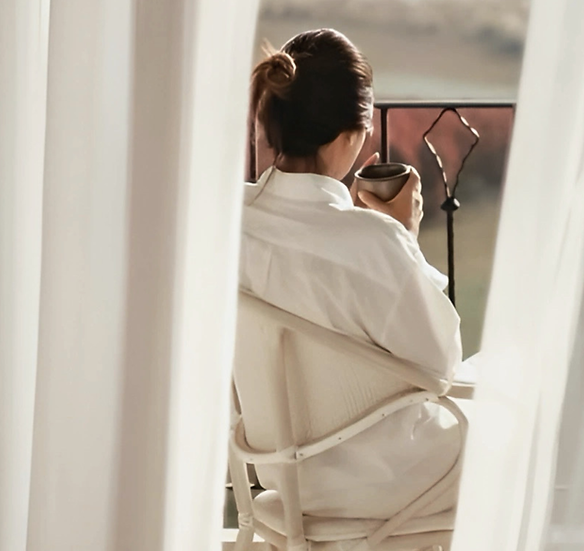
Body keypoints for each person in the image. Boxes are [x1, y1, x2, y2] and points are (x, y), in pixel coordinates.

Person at [239, 28, 463, 520]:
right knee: (519, 417)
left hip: (283, 478)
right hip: (389, 483)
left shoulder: (229, 221)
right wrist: (402, 236)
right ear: (350, 134)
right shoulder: (372, 242)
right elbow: (440, 366)